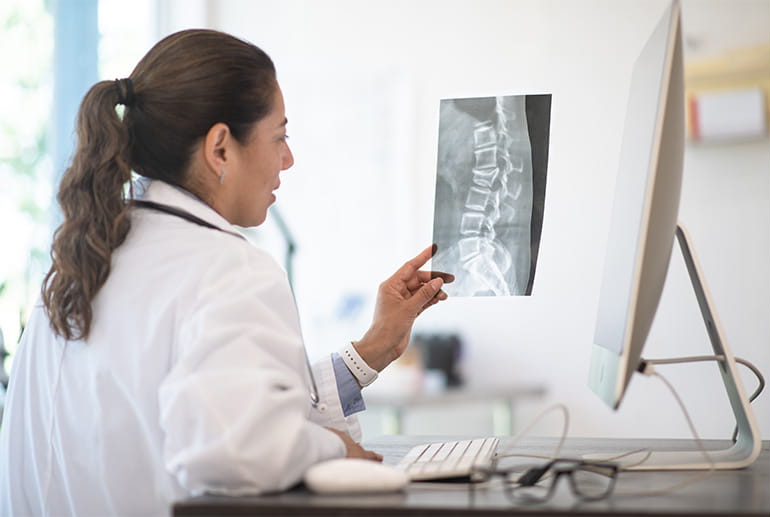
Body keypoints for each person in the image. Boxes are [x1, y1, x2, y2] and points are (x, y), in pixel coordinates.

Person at [0, 29, 452, 516]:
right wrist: (339, 449)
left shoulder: (77, 261)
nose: (288, 158)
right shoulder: (228, 268)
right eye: (279, 136)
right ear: (220, 148)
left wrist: (369, 353)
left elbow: (221, 404)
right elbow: (237, 450)